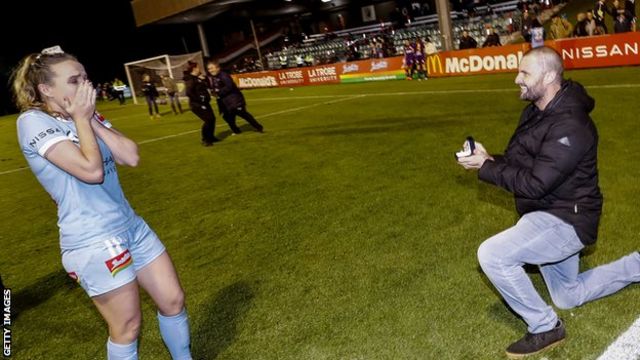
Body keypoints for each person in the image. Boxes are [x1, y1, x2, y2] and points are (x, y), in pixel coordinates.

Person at [457, 46, 640, 359]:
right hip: (546, 211)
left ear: (551, 76)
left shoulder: (571, 125)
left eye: (525, 73)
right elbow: (519, 161)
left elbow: (535, 183)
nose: (517, 78)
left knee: (493, 255)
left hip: (567, 221)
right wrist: (487, 159)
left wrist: (487, 169)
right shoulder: (537, 110)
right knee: (567, 296)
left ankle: (544, 326)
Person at [12, 46, 192, 359]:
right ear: (46, 89)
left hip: (130, 225)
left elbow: (130, 155)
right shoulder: (33, 122)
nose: (85, 86)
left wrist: (89, 119)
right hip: (93, 240)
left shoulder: (89, 115)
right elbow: (91, 171)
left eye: (85, 78)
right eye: (74, 80)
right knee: (127, 327)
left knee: (173, 299)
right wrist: (81, 118)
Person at [206, 60, 263, 134]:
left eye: (212, 68)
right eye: (209, 69)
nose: (210, 70)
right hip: (226, 102)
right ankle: (237, 131)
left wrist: (218, 92)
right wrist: (214, 92)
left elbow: (229, 86)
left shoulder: (223, 75)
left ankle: (258, 127)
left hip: (234, 100)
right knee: (227, 117)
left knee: (243, 114)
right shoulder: (214, 77)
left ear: (217, 68)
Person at [184, 61, 219, 146]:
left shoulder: (198, 77)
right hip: (197, 105)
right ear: (194, 69)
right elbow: (188, 92)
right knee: (208, 120)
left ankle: (211, 137)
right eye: (198, 67)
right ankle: (205, 139)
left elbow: (205, 85)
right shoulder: (190, 79)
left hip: (205, 103)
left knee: (212, 119)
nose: (200, 69)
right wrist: (199, 100)